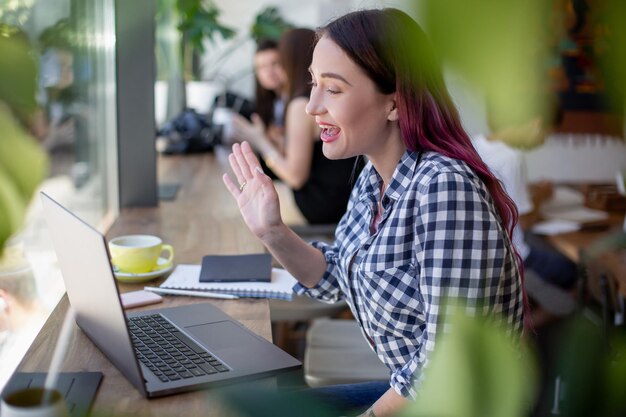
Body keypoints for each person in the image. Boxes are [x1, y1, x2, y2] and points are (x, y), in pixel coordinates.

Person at [223, 9, 525, 417]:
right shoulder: (372, 176)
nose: (311, 106)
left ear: (394, 104)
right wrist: (271, 230)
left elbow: (447, 366)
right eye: (313, 84)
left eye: (333, 89)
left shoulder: (444, 188)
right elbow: (335, 277)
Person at [231, 28, 360, 225]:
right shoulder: (322, 96)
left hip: (323, 205)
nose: (274, 71)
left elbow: (295, 177)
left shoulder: (301, 105)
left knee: (247, 208)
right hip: (347, 197)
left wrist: (260, 141)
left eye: (279, 62)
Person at [473, 112, 578, 318]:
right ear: (537, 123)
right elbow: (526, 221)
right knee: (575, 272)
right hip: (515, 255)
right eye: (546, 134)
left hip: (486, 253)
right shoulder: (512, 157)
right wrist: (541, 195)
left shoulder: (473, 144)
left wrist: (530, 193)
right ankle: (533, 324)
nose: (542, 141)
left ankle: (533, 298)